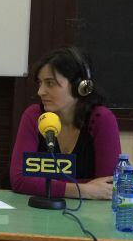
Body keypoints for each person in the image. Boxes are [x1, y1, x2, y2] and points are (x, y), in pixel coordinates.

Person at [10, 46, 120, 199]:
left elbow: (109, 186)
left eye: (50, 83)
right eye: (40, 83)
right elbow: (19, 180)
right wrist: (84, 190)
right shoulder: (33, 116)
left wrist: (44, 183)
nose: (40, 91)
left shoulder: (101, 119)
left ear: (80, 87)